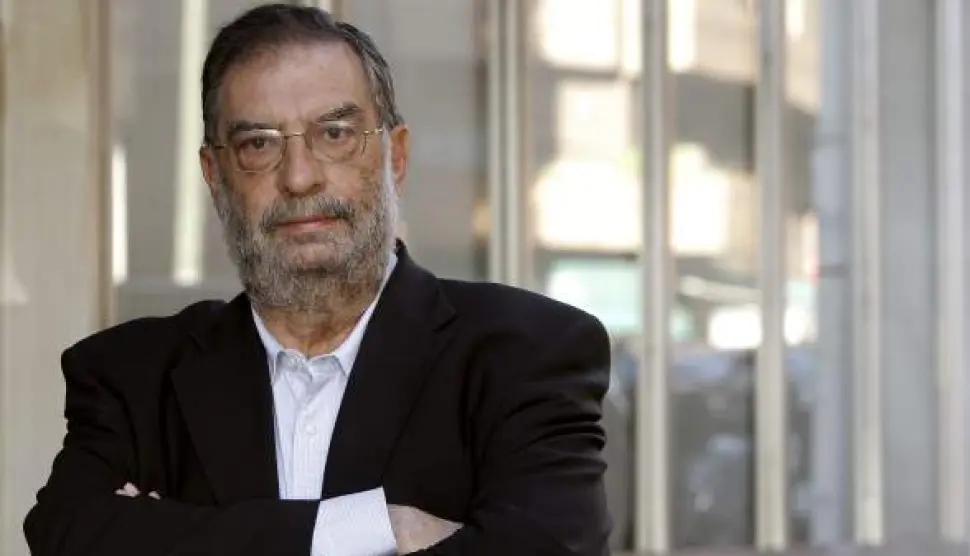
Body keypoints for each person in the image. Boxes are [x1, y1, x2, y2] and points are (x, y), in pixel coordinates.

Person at [23, 4, 612, 555]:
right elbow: (67, 535)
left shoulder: (526, 355)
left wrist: (174, 532)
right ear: (215, 174)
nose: (300, 177)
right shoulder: (131, 376)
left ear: (395, 157)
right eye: (258, 144)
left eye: (335, 134)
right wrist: (374, 528)